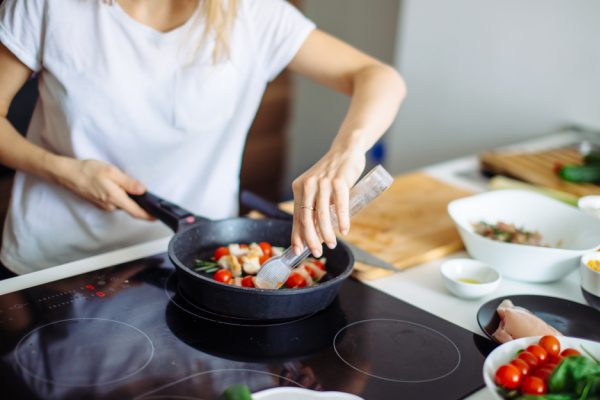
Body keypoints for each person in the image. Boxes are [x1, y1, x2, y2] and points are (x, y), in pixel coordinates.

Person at [0, 0, 406, 275]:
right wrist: (63, 170)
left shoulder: (252, 13)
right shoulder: (47, 6)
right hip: (52, 265)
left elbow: (379, 77)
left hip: (197, 263)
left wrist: (346, 152)